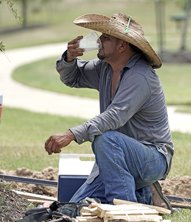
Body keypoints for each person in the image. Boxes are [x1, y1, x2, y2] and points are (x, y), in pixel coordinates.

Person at [44, 13, 174, 208]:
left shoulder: (141, 76)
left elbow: (115, 116)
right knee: (73, 207)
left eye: (106, 38)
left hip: (152, 157)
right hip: (115, 156)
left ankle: (126, 211)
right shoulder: (105, 68)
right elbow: (73, 78)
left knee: (105, 139)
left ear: (122, 45)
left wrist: (71, 134)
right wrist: (69, 58)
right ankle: (143, 193)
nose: (99, 41)